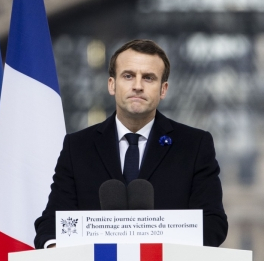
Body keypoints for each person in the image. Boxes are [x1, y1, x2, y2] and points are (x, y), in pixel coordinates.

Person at [34, 39, 228, 249]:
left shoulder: (194, 145)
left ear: (163, 89)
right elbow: (52, 221)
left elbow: (212, 222)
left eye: (148, 78)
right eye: (128, 76)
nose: (137, 86)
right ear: (112, 84)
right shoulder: (78, 146)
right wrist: (55, 250)